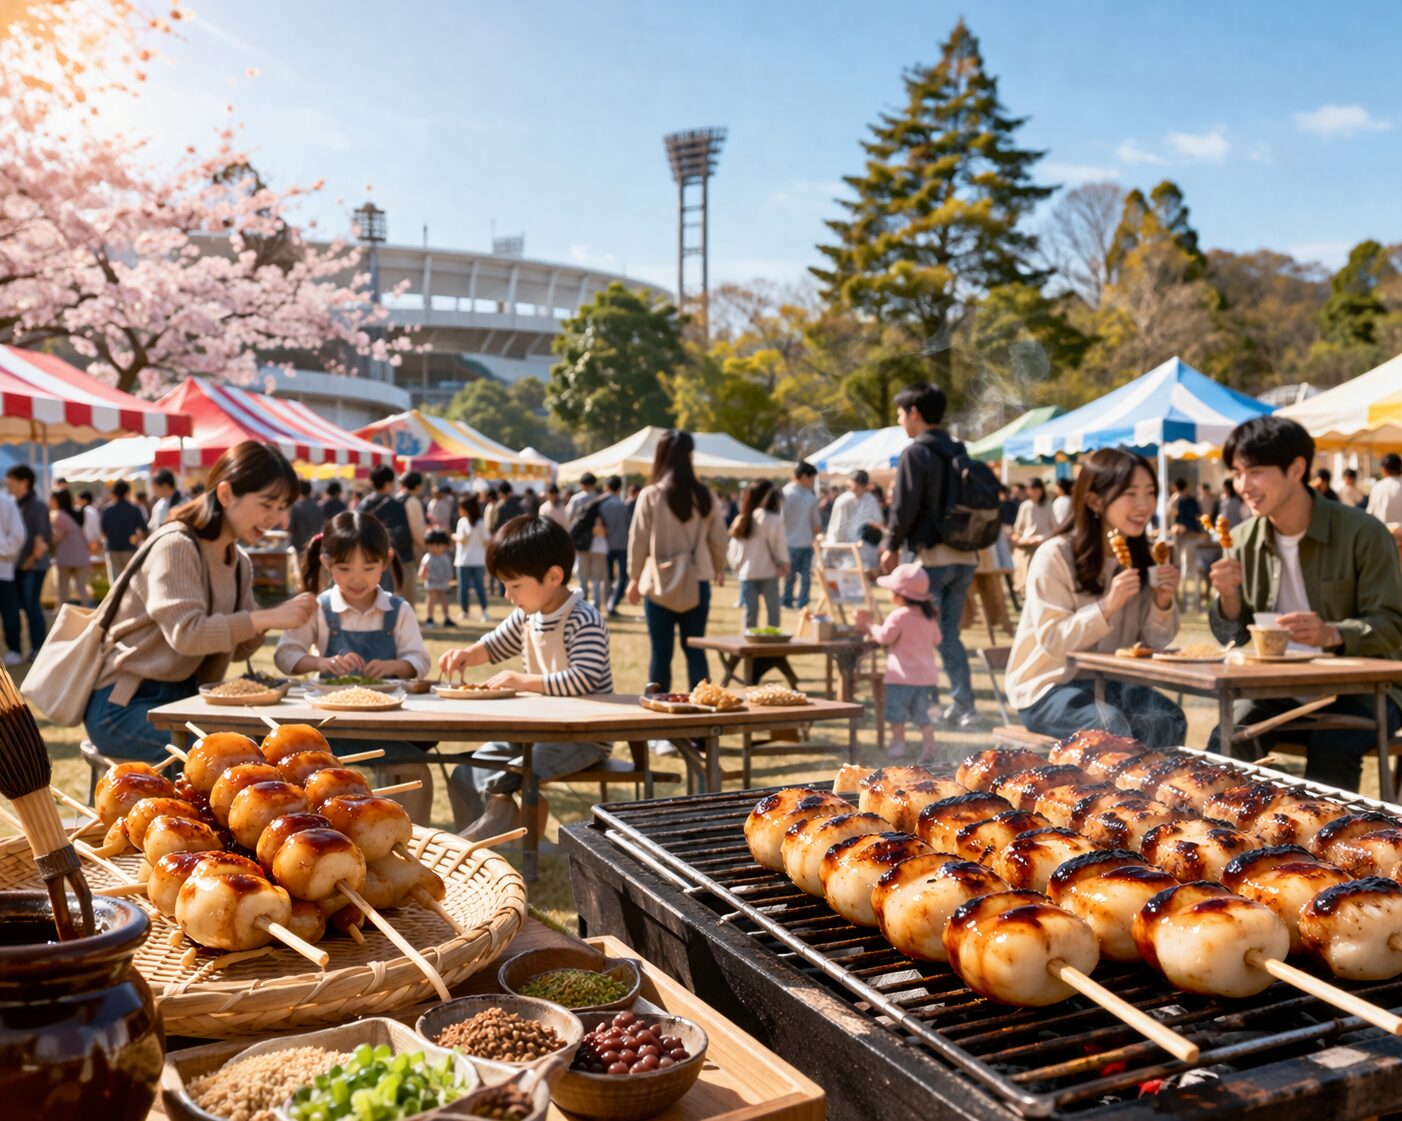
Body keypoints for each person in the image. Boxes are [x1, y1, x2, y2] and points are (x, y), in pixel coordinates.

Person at [85, 442, 317, 763]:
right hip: (126, 705)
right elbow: (188, 635)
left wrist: (277, 619)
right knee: (238, 758)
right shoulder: (176, 545)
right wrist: (267, 619)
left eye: (281, 507)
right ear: (225, 494)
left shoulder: (239, 562)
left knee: (278, 748)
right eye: (267, 504)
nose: (275, 518)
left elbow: (238, 649)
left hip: (186, 700)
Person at [1208, 416, 1402, 791]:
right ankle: (1225, 836)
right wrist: (1228, 599)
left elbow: (1393, 623)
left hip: (1363, 688)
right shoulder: (1241, 539)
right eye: (1236, 473)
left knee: (1333, 748)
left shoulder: (1363, 532)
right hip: (1275, 686)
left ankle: (1330, 843)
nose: (1242, 485)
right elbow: (1229, 635)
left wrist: (1332, 633)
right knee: (1228, 738)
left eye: (1255, 472)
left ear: (1296, 468)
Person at [439, 515, 613, 837]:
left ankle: (501, 839)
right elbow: (492, 646)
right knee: (466, 774)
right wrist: (467, 655)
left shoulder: (583, 618)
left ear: (553, 576)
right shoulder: (526, 617)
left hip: (582, 736)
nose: (508, 595)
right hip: (533, 730)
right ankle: (481, 849)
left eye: (514, 585)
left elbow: (583, 678)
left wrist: (522, 682)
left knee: (508, 775)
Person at [1006, 448, 1186, 747]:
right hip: (1049, 686)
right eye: (1131, 494)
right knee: (1109, 724)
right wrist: (1107, 606)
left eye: (1150, 492)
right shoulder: (1055, 556)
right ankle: (1107, 794)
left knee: (1170, 720)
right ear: (1094, 500)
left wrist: (1162, 602)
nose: (1144, 505)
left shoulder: (1145, 558)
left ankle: (1154, 790)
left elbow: (1155, 643)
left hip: (1112, 685)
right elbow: (1052, 640)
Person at [276, 510, 433, 821]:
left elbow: (420, 660)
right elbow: (285, 655)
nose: (357, 579)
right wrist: (321, 662)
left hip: (388, 724)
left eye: (369, 567)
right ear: (326, 563)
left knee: (414, 770)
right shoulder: (320, 607)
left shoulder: (398, 610)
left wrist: (395, 666)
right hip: (330, 725)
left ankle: (415, 841)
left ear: (386, 561)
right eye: (344, 568)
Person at [626, 430, 729, 693]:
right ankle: (701, 718)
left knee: (660, 653)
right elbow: (719, 538)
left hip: (658, 583)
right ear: (690, 455)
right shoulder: (705, 495)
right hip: (697, 580)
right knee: (695, 650)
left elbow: (638, 540)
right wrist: (719, 568)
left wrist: (634, 577)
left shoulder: (650, 494)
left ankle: (659, 717)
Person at [855, 563, 941, 763]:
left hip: (901, 676)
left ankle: (899, 744)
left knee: (896, 713)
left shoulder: (899, 616)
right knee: (922, 715)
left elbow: (884, 638)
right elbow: (937, 640)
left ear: (900, 594)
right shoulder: (930, 617)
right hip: (925, 677)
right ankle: (928, 747)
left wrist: (868, 624)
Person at [728, 480, 790, 630]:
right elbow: (780, 546)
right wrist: (785, 564)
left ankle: (749, 648)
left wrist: (737, 567)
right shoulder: (774, 520)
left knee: (750, 615)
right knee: (773, 614)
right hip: (769, 572)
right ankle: (773, 648)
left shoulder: (742, 519)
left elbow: (733, 551)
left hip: (747, 574)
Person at [6, 465, 51, 657]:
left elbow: (41, 541)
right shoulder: (18, 504)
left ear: (24, 482)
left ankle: (39, 648)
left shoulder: (36, 506)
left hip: (33, 566)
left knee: (32, 606)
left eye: (11, 481)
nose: (8, 485)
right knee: (27, 606)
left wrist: (29, 561)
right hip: (23, 565)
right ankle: (35, 648)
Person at [360, 465, 413, 595]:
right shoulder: (396, 506)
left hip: (367, 561)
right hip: (396, 560)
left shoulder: (363, 504)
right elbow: (403, 534)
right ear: (388, 483)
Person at [781, 462, 821, 610]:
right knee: (805, 576)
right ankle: (803, 603)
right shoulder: (810, 497)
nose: (812, 483)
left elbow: (780, 519)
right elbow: (816, 523)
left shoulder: (784, 493)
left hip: (789, 541)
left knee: (789, 576)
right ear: (804, 477)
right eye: (812, 479)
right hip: (804, 541)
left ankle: (787, 601)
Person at [566, 473, 609, 608]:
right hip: (598, 542)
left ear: (582, 484)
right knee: (597, 576)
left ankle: (583, 602)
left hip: (581, 542)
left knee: (582, 574)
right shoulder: (601, 498)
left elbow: (568, 519)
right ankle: (596, 603)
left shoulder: (576, 499)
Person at [828, 470, 884, 573]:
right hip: (845, 547)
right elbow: (837, 527)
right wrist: (835, 548)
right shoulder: (843, 500)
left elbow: (878, 522)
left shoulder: (870, 499)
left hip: (865, 546)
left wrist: (869, 527)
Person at [49, 489, 92, 607]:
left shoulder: (59, 516)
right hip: (81, 556)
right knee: (82, 587)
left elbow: (56, 537)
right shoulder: (77, 514)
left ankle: (62, 612)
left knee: (62, 588)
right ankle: (87, 609)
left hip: (65, 557)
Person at [454, 493, 491, 622]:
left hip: (477, 560)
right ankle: (465, 611)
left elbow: (486, 540)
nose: (459, 510)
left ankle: (484, 611)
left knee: (479, 587)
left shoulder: (480, 523)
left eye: (461, 508)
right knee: (463, 588)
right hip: (463, 560)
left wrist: (455, 537)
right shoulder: (462, 522)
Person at [0, 489, 27, 666]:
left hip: (3, 569)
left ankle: (14, 649)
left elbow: (18, 535)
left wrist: (2, 550)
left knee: (9, 611)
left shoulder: (5, 502)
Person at [100, 479, 146, 580]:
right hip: (130, 549)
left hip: (113, 549)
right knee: (131, 580)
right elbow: (143, 528)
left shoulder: (108, 510)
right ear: (128, 492)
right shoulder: (134, 509)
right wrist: (137, 538)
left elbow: (103, 531)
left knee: (115, 582)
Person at [599, 476, 632, 616]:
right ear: (619, 488)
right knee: (623, 576)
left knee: (607, 576)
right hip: (623, 545)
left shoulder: (601, 505)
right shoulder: (623, 506)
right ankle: (613, 602)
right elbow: (629, 525)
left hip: (606, 545)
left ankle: (605, 603)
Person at [396, 471, 429, 605]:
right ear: (417, 486)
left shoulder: (395, 498)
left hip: (393, 552)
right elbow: (417, 530)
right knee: (407, 595)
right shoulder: (413, 501)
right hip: (407, 553)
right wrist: (423, 548)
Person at [418, 529, 455, 627]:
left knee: (443, 600)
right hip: (431, 583)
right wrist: (425, 574)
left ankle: (446, 618)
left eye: (437, 545)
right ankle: (430, 618)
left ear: (444, 545)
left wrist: (448, 578)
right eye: (430, 546)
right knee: (431, 600)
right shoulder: (427, 557)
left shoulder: (445, 558)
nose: (433, 548)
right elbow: (421, 572)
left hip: (442, 583)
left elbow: (449, 573)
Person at [287, 480, 325, 556]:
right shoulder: (318, 508)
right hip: (315, 547)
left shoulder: (296, 508)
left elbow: (291, 528)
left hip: (299, 548)